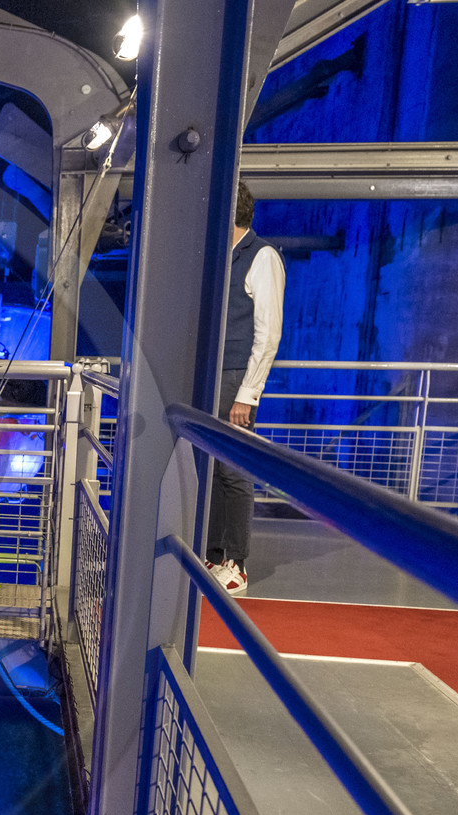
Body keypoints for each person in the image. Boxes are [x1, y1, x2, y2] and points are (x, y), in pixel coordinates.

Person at [207, 181, 285, 597]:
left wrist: (247, 393)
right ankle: (217, 553)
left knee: (234, 470)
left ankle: (237, 563)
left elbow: (267, 333)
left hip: (237, 376)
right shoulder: (226, 258)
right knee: (218, 468)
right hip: (217, 374)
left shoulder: (262, 257)